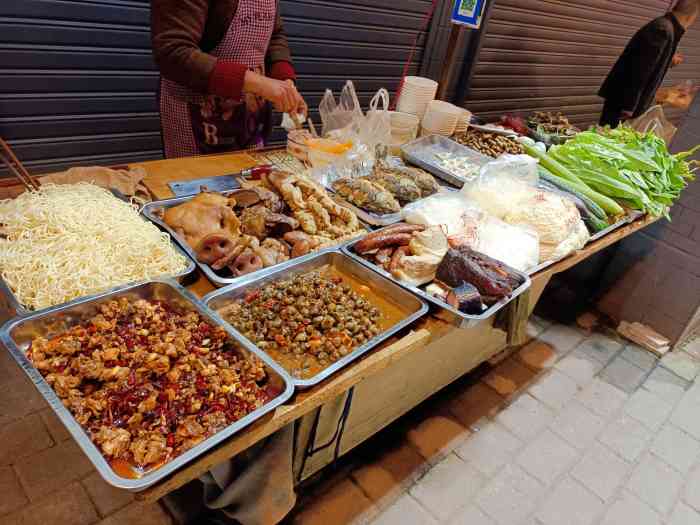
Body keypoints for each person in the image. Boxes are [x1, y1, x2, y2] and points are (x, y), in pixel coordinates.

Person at [151, 0, 307, 158]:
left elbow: (275, 35)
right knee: (198, 181)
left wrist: (285, 81)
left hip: (250, 121)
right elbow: (173, 51)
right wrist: (260, 84)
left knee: (251, 180)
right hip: (197, 117)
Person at [598, 0, 698, 128]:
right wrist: (629, 107)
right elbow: (638, 72)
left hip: (624, 101)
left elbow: (647, 63)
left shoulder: (667, 28)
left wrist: (667, 60)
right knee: (607, 138)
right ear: (692, 15)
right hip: (623, 103)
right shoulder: (663, 30)